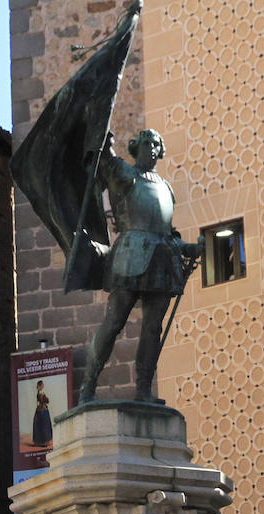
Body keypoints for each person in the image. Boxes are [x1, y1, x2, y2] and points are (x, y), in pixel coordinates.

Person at [79, 129, 202, 402]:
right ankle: (88, 385)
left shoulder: (166, 187)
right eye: (146, 144)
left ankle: (143, 388)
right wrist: (104, 138)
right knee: (114, 322)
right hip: (131, 254)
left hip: (162, 257)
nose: (152, 148)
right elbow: (107, 161)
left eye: (157, 144)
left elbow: (166, 231)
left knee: (153, 327)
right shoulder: (125, 173)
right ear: (136, 148)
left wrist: (189, 248)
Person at [32, 381, 53, 448]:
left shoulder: (39, 393)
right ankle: (44, 442)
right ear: (40, 386)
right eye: (42, 384)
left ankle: (40, 441)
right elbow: (46, 401)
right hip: (42, 411)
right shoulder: (41, 393)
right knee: (44, 425)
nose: (43, 385)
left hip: (40, 410)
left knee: (41, 425)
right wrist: (46, 399)